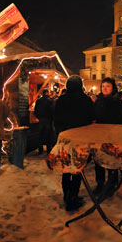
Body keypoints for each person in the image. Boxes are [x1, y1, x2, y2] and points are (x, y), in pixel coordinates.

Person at [53, 76, 95, 211]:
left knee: (66, 169)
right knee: (77, 168)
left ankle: (67, 196)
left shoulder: (62, 100)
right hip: (80, 140)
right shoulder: (86, 100)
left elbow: (56, 119)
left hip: (65, 139)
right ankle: (73, 197)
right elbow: (91, 118)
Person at [94, 77, 122, 196]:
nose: (105, 88)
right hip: (99, 135)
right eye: (103, 86)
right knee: (98, 160)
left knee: (111, 160)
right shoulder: (98, 100)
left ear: (112, 88)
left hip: (112, 135)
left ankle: (111, 183)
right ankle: (100, 183)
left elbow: (121, 117)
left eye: (107, 86)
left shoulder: (117, 102)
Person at [34, 89, 55, 155]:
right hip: (48, 119)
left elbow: (35, 110)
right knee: (48, 135)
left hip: (41, 120)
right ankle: (48, 149)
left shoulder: (38, 101)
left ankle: (40, 149)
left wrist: (39, 117)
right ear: (46, 93)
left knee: (40, 135)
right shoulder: (50, 101)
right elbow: (52, 110)